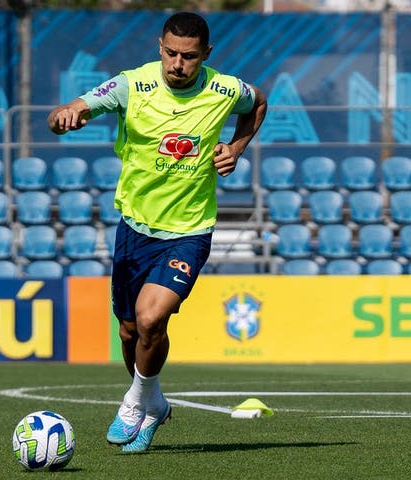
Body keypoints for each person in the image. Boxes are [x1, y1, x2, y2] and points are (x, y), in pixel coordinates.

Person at [47, 11, 267, 453]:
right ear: (159, 47)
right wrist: (66, 115)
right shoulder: (133, 84)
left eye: (188, 56)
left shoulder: (225, 89)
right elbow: (73, 109)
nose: (177, 64)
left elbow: (258, 102)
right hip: (134, 227)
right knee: (130, 331)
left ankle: (134, 402)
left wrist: (236, 148)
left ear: (206, 54)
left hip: (190, 229)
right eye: (170, 53)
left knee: (152, 318)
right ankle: (155, 404)